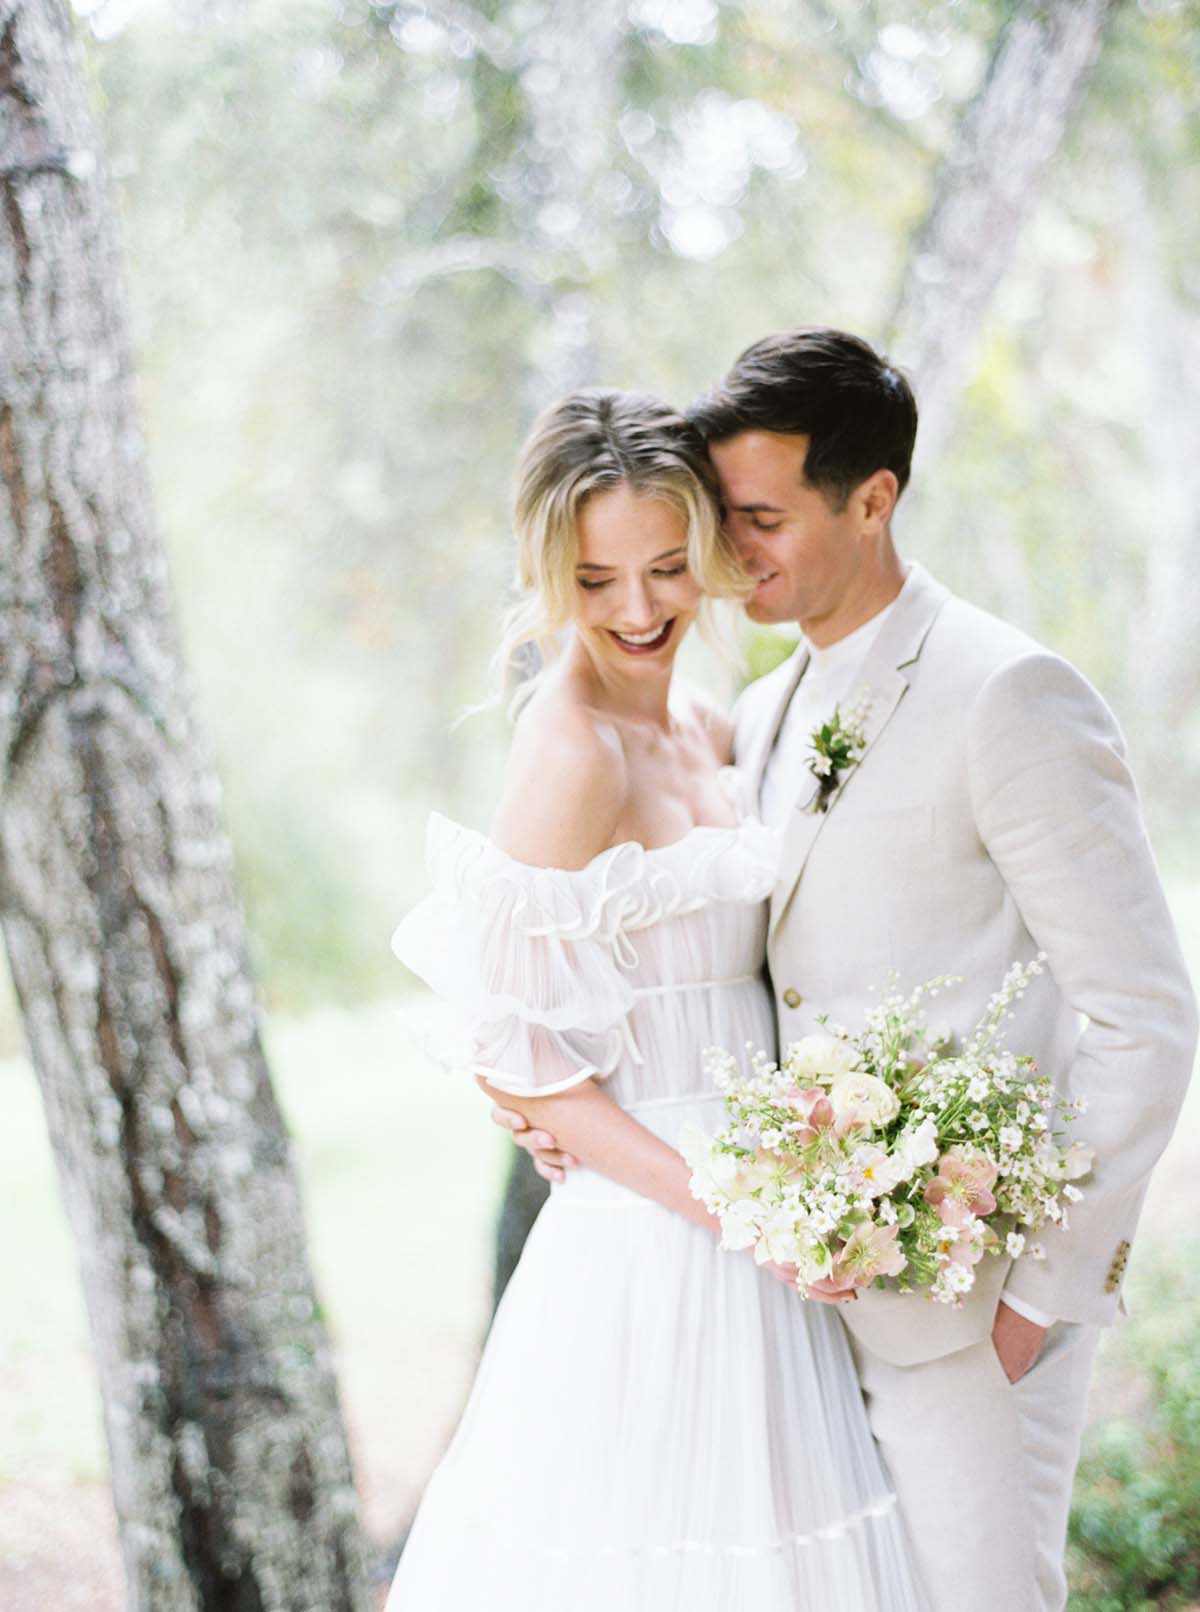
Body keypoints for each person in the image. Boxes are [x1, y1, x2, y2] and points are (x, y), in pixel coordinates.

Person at [497, 328, 1199, 1612]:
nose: (729, 551)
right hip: (789, 1315)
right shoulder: (758, 716)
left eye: (760, 518)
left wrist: (1041, 1296)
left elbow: (1145, 1017)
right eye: (724, 516)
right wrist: (566, 1102)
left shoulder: (1010, 695)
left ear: (873, 500)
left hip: (969, 1311)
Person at [386, 387, 929, 1610]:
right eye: (595, 580)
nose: (638, 610)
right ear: (549, 575)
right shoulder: (572, 749)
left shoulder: (711, 725)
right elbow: (518, 1059)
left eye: (667, 568)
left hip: (769, 1232)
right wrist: (740, 1209)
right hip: (653, 1248)